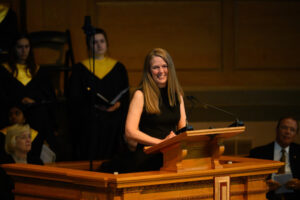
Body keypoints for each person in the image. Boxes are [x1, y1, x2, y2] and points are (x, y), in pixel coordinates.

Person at [99, 48, 187, 173]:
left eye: (164, 66)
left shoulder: (177, 95)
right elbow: (130, 132)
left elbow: (182, 128)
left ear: (170, 68)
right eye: (155, 67)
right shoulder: (140, 95)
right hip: (147, 158)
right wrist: (161, 143)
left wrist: (176, 140)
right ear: (149, 71)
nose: (161, 71)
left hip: (170, 157)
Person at [68, 28, 130, 161]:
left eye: (102, 41)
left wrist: (118, 104)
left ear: (107, 44)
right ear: (88, 46)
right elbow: (75, 97)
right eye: (94, 42)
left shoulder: (118, 68)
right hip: (91, 116)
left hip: (114, 116)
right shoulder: (80, 69)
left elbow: (125, 94)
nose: (99, 45)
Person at [0, 34, 57, 158]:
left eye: (27, 47)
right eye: (20, 47)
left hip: (34, 111)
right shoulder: (4, 70)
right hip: (11, 110)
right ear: (13, 49)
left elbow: (48, 96)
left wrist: (34, 100)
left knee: (41, 112)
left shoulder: (38, 71)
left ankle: (35, 157)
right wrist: (19, 102)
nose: (23, 50)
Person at [249, 117, 300, 200]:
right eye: (284, 128)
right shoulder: (258, 153)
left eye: (292, 130)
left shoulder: (298, 151)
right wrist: (264, 186)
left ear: (296, 134)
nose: (287, 132)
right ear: (277, 130)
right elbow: (250, 183)